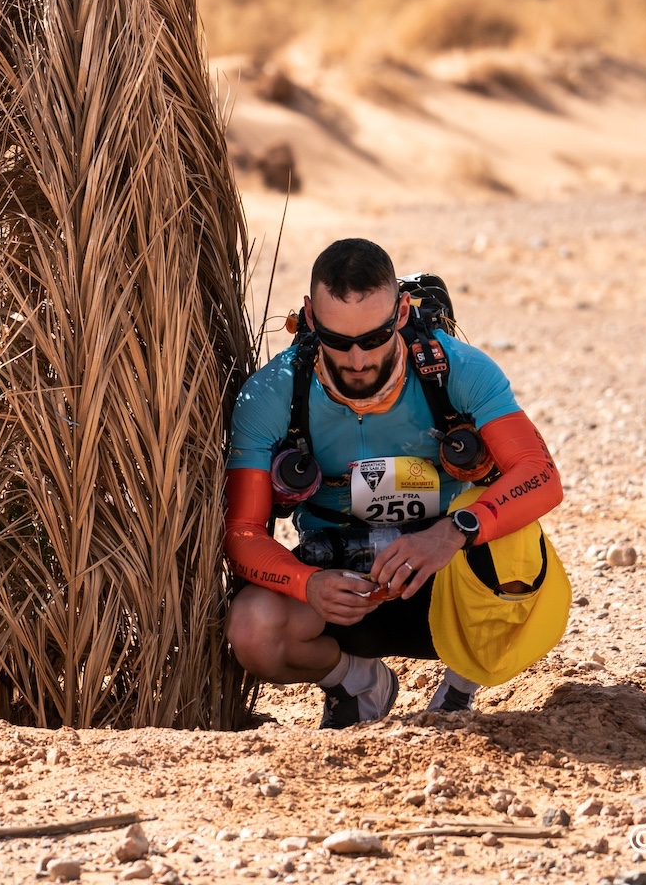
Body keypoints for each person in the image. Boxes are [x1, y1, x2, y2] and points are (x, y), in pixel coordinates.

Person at [223, 238, 567, 728]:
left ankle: (461, 684)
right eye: (338, 342)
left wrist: (450, 534)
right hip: (340, 584)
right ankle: (357, 683)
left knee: (514, 543)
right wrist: (308, 583)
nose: (358, 359)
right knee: (254, 628)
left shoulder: (458, 369)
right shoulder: (271, 393)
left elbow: (540, 477)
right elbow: (242, 532)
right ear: (310, 318)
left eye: (375, 338)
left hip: (448, 571)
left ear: (402, 313)